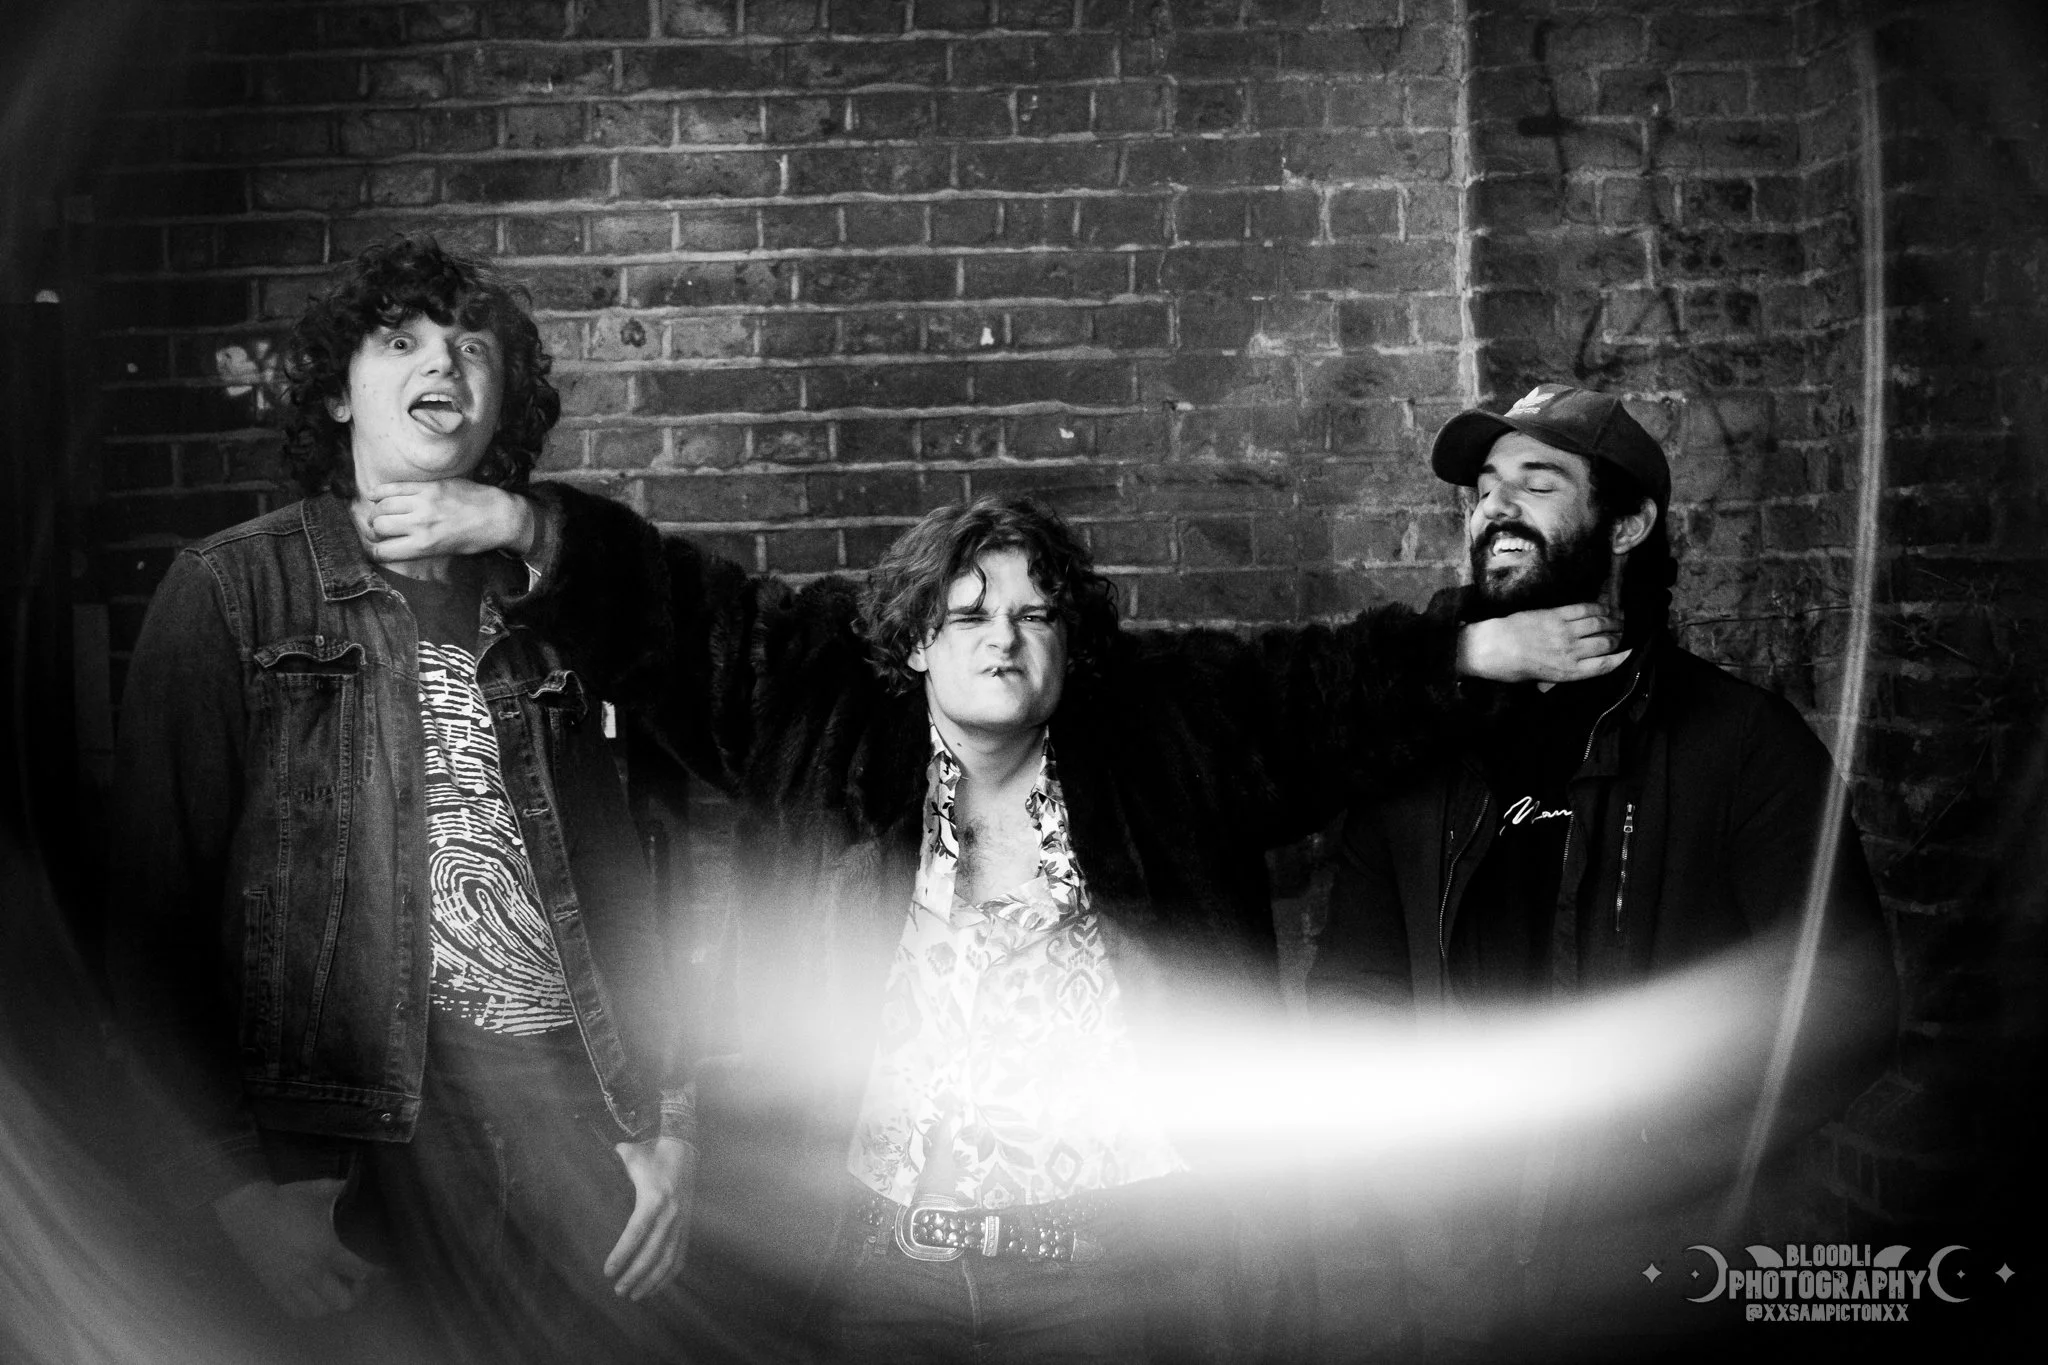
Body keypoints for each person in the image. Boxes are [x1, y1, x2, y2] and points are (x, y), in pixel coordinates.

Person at [355, 460, 1630, 1362]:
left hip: (1117, 1280)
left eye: (1031, 616)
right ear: (912, 642)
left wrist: (1476, 651)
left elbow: (1314, 689)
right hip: (878, 1274)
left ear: (1069, 646)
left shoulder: (1159, 740)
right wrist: (524, 524)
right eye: (965, 616)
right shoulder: (820, 725)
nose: (1001, 640)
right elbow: (681, 614)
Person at [106, 237, 697, 1364]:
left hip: (575, 1143)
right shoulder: (233, 589)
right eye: (404, 340)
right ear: (338, 392)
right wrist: (229, 1188)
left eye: (473, 346)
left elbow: (636, 890)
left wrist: (669, 1125)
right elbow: (150, 922)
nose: (447, 361)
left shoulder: (554, 604)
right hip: (353, 1160)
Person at [1308, 382, 1899, 1358]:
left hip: (1662, 1269)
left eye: (1534, 483)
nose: (1493, 507)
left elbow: (1842, 999)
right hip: (1450, 1263)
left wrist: (1665, 1171)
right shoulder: (1415, 751)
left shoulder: (1739, 743)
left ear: (1626, 525)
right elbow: (1354, 985)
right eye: (1484, 489)